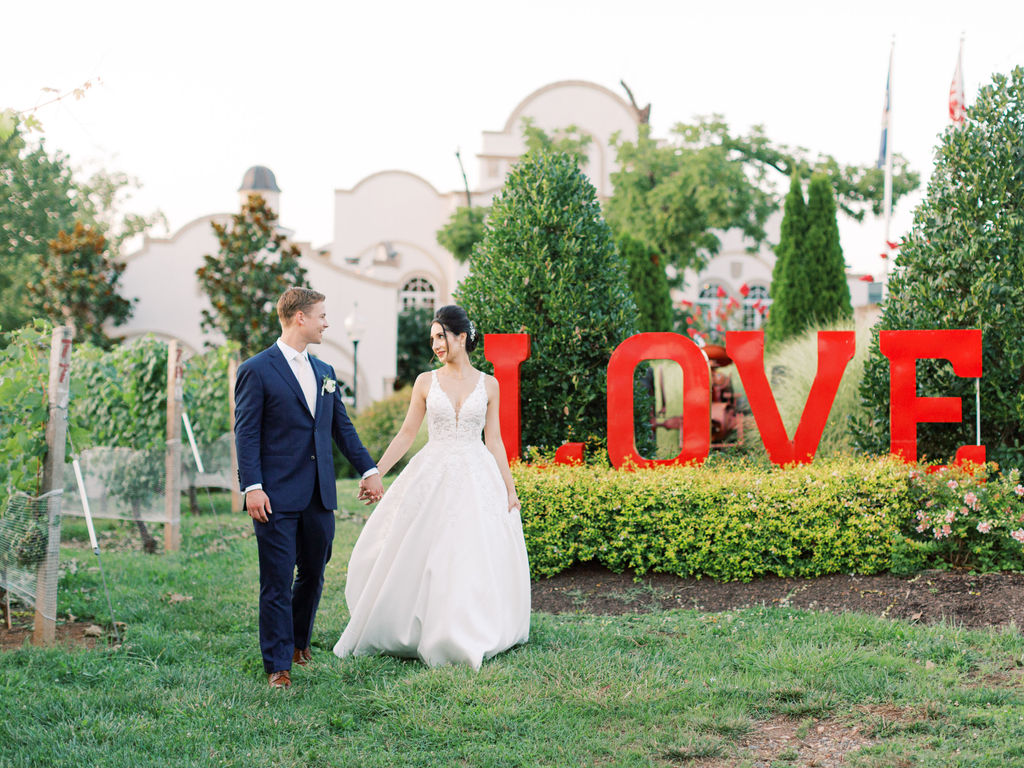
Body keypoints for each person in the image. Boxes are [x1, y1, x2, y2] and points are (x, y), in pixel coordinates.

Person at [334, 305, 530, 669]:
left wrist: (509, 488)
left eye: (441, 336)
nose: (436, 345)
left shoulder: (489, 385)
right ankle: (416, 626)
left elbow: (494, 440)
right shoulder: (425, 382)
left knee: (469, 552)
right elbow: (407, 434)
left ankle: (465, 630)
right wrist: (375, 472)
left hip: (476, 474)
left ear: (462, 336)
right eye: (433, 339)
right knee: (423, 548)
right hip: (432, 471)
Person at [234, 287, 384, 689]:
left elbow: (342, 428)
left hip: (319, 495)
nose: (326, 323)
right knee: (277, 579)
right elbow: (246, 434)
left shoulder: (325, 372)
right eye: (321, 316)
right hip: (274, 495)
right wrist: (252, 486)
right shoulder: (256, 369)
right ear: (300, 317)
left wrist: (369, 469)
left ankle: (300, 642)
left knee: (314, 573)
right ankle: (278, 665)